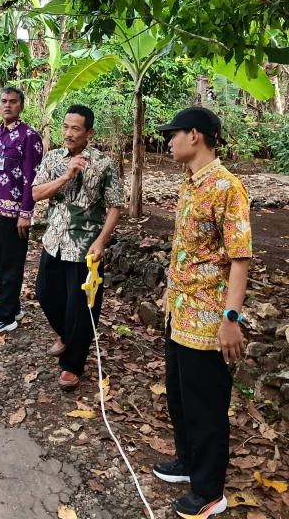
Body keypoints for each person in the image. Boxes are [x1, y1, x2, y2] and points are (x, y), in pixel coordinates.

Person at [153, 107, 251, 519]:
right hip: (179, 313)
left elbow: (240, 258)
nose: (168, 141)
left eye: (173, 133)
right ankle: (187, 462)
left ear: (194, 135)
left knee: (206, 406)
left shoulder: (227, 187)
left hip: (209, 320)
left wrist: (231, 319)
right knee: (179, 396)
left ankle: (210, 492)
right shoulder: (189, 183)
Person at [32, 105, 123, 391]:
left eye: (75, 128)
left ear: (89, 132)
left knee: (82, 307)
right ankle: (66, 334)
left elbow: (115, 206)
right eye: (65, 127)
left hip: (86, 245)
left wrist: (102, 240)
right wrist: (65, 177)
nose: (68, 133)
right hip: (54, 240)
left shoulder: (103, 163)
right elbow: (35, 193)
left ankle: (72, 365)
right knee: (44, 293)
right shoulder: (52, 158)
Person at [0, 86, 43, 335]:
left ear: (21, 105)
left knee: (11, 264)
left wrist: (26, 213)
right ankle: (9, 306)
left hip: (15, 215)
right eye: (4, 101)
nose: (8, 105)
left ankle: (6, 318)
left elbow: (32, 178)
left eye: (13, 101)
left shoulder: (29, 137)